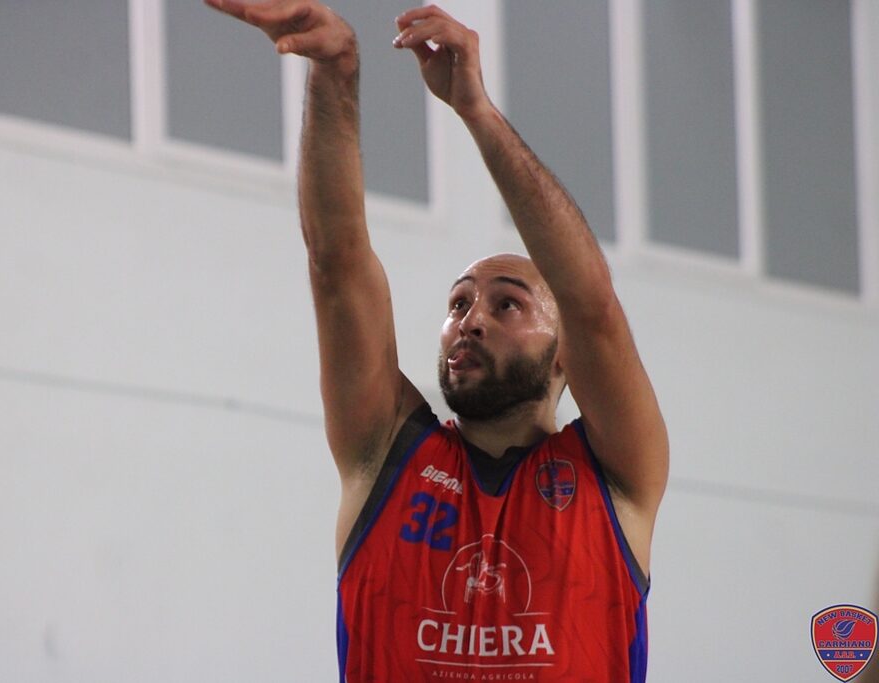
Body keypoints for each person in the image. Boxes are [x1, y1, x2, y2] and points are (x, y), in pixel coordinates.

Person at [206, 1, 669, 680]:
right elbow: (337, 264)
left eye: (508, 303)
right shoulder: (383, 451)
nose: (472, 319)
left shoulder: (619, 474)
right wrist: (334, 72)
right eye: (459, 303)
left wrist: (476, 113)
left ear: (564, 357)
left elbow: (591, 302)